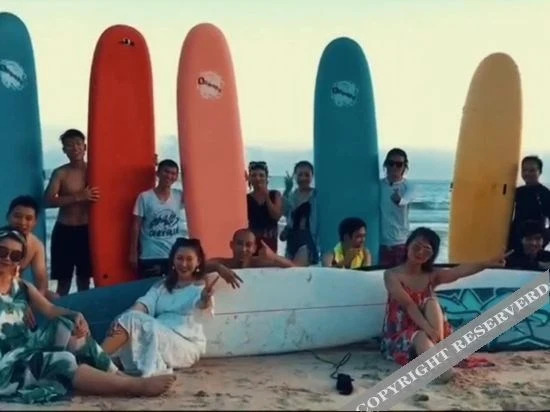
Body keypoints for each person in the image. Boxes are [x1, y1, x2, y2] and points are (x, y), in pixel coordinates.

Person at [0, 228, 175, 404]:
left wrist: (76, 315)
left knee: (67, 325)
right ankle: (132, 386)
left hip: (25, 347)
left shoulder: (22, 287)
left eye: (15, 255)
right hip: (7, 365)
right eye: (2, 251)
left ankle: (117, 374)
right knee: (64, 360)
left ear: (19, 261)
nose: (7, 258)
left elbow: (50, 310)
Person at [381, 227, 508, 382]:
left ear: (432, 255)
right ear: (407, 245)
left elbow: (459, 272)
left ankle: (439, 355)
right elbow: (409, 305)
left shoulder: (431, 275)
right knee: (420, 335)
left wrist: (487, 264)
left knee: (431, 302)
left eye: (427, 249)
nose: (420, 252)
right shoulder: (391, 275)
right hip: (402, 335)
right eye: (417, 246)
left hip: (435, 336)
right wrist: (428, 329)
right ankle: (442, 367)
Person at [101, 238, 219, 377]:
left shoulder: (201, 289)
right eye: (179, 258)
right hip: (157, 335)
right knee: (127, 318)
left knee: (133, 320)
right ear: (173, 260)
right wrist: (121, 320)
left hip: (184, 345)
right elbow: (143, 306)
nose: (184, 264)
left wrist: (205, 298)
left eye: (189, 259)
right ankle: (100, 361)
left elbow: (202, 306)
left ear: (198, 261)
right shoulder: (162, 286)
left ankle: (96, 360)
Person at [44, 129, 97, 296]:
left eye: (78, 144)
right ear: (64, 150)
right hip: (64, 230)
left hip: (87, 231)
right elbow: (47, 201)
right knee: (63, 281)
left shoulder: (96, 170)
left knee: (85, 280)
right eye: (69, 145)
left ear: (85, 147)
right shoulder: (61, 173)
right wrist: (78, 197)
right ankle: (60, 311)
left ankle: (83, 311)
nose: (75, 148)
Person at [130, 159, 184, 278]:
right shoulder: (145, 197)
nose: (169, 176)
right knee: (149, 288)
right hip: (149, 255)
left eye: (173, 173)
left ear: (176, 177)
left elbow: (198, 193)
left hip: (173, 255)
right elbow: (136, 225)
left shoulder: (179, 195)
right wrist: (133, 252)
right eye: (166, 172)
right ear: (158, 173)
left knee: (172, 288)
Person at [5, 195, 57, 300]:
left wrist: (37, 302)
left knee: (53, 296)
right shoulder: (2, 239)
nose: (22, 222)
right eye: (17, 216)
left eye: (28, 218)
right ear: (8, 216)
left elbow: (41, 280)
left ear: (35, 222)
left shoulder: (36, 245)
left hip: (15, 288)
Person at [379, 148, 416, 267]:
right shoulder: (378, 185)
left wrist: (399, 200)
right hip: (379, 243)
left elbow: (406, 199)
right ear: (386, 165)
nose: (394, 167)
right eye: (391, 163)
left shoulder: (409, 186)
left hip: (401, 243)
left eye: (399, 164)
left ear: (404, 167)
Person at [280, 160, 319, 266]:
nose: (303, 178)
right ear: (295, 176)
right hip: (292, 239)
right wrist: (287, 190)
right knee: (290, 270)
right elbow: (283, 212)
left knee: (297, 268)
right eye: (300, 175)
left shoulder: (316, 195)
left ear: (312, 176)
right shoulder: (292, 195)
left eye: (307, 175)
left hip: (308, 238)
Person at [509, 155, 550, 252]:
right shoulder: (517, 192)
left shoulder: (545, 194)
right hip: (515, 240)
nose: (527, 173)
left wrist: (543, 240)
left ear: (539, 172)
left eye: (532, 170)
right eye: (524, 170)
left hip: (534, 244)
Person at [211, 228, 294, 269]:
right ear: (231, 245)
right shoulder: (224, 264)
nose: (243, 249)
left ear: (254, 248)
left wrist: (273, 256)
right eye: (239, 244)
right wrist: (218, 268)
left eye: (248, 245)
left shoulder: (257, 264)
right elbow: (204, 266)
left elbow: (293, 268)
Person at [247, 161, 283, 253]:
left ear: (267, 178)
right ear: (249, 178)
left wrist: (266, 196)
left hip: (270, 240)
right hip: (252, 241)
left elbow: (276, 216)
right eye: (254, 175)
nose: (258, 178)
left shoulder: (275, 194)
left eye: (261, 175)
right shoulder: (247, 198)